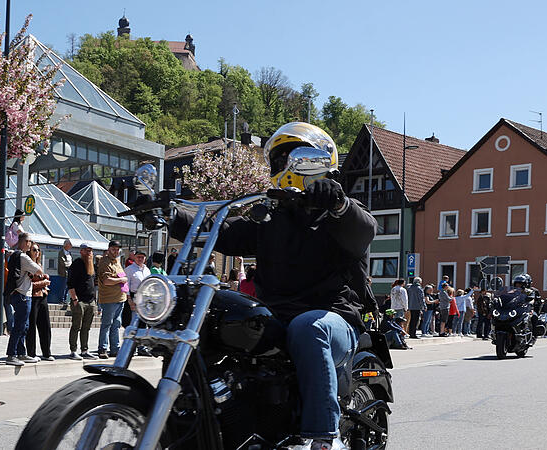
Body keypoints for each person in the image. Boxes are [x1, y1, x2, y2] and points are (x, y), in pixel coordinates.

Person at [162, 122, 376, 449]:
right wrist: (170, 213)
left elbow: (364, 231)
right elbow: (220, 229)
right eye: (279, 160)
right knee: (212, 319)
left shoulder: (339, 211)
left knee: (308, 328)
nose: (284, 166)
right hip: (276, 317)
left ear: (317, 161)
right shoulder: (270, 218)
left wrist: (337, 204)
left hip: (332, 319)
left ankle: (322, 438)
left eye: (293, 158)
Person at [5, 233, 43, 366]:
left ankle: (21, 353)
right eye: (31, 242)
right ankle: (11, 355)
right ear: (26, 242)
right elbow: (39, 271)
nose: (32, 245)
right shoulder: (23, 256)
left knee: (24, 326)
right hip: (22, 295)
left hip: (20, 294)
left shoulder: (16, 255)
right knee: (20, 326)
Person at [96, 240, 128, 359]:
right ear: (109, 249)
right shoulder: (104, 262)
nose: (116, 251)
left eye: (117, 249)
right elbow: (106, 281)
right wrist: (121, 280)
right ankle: (102, 349)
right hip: (109, 299)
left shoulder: (117, 262)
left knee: (116, 325)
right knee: (106, 325)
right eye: (113, 249)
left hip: (120, 298)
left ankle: (115, 349)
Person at [67, 243, 98, 360]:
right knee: (76, 326)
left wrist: (95, 301)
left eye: (90, 250)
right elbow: (70, 284)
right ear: (81, 251)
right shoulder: (77, 264)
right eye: (86, 250)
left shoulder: (91, 265)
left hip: (90, 301)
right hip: (79, 301)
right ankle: (73, 350)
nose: (89, 253)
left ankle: (84, 350)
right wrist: (75, 299)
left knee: (86, 327)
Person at [26, 243, 53, 362]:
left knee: (45, 325)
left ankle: (46, 352)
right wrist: (44, 283)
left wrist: (44, 280)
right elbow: (27, 285)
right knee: (31, 326)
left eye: (38, 250)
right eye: (34, 250)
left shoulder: (39, 264)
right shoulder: (27, 265)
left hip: (42, 296)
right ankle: (31, 353)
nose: (36, 252)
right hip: (32, 297)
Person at [123, 251, 150, 328]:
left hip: (144, 298)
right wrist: (129, 300)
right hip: (133, 297)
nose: (140, 259)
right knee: (132, 323)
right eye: (138, 257)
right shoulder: (129, 269)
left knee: (142, 323)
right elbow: (125, 285)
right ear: (134, 257)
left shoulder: (147, 270)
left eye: (142, 257)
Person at [56, 239, 73, 308]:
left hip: (69, 272)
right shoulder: (61, 252)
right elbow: (62, 262)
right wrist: (69, 266)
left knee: (67, 287)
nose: (71, 246)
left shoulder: (69, 253)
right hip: (64, 272)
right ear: (66, 245)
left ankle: (65, 299)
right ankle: (61, 299)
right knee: (63, 286)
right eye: (70, 245)